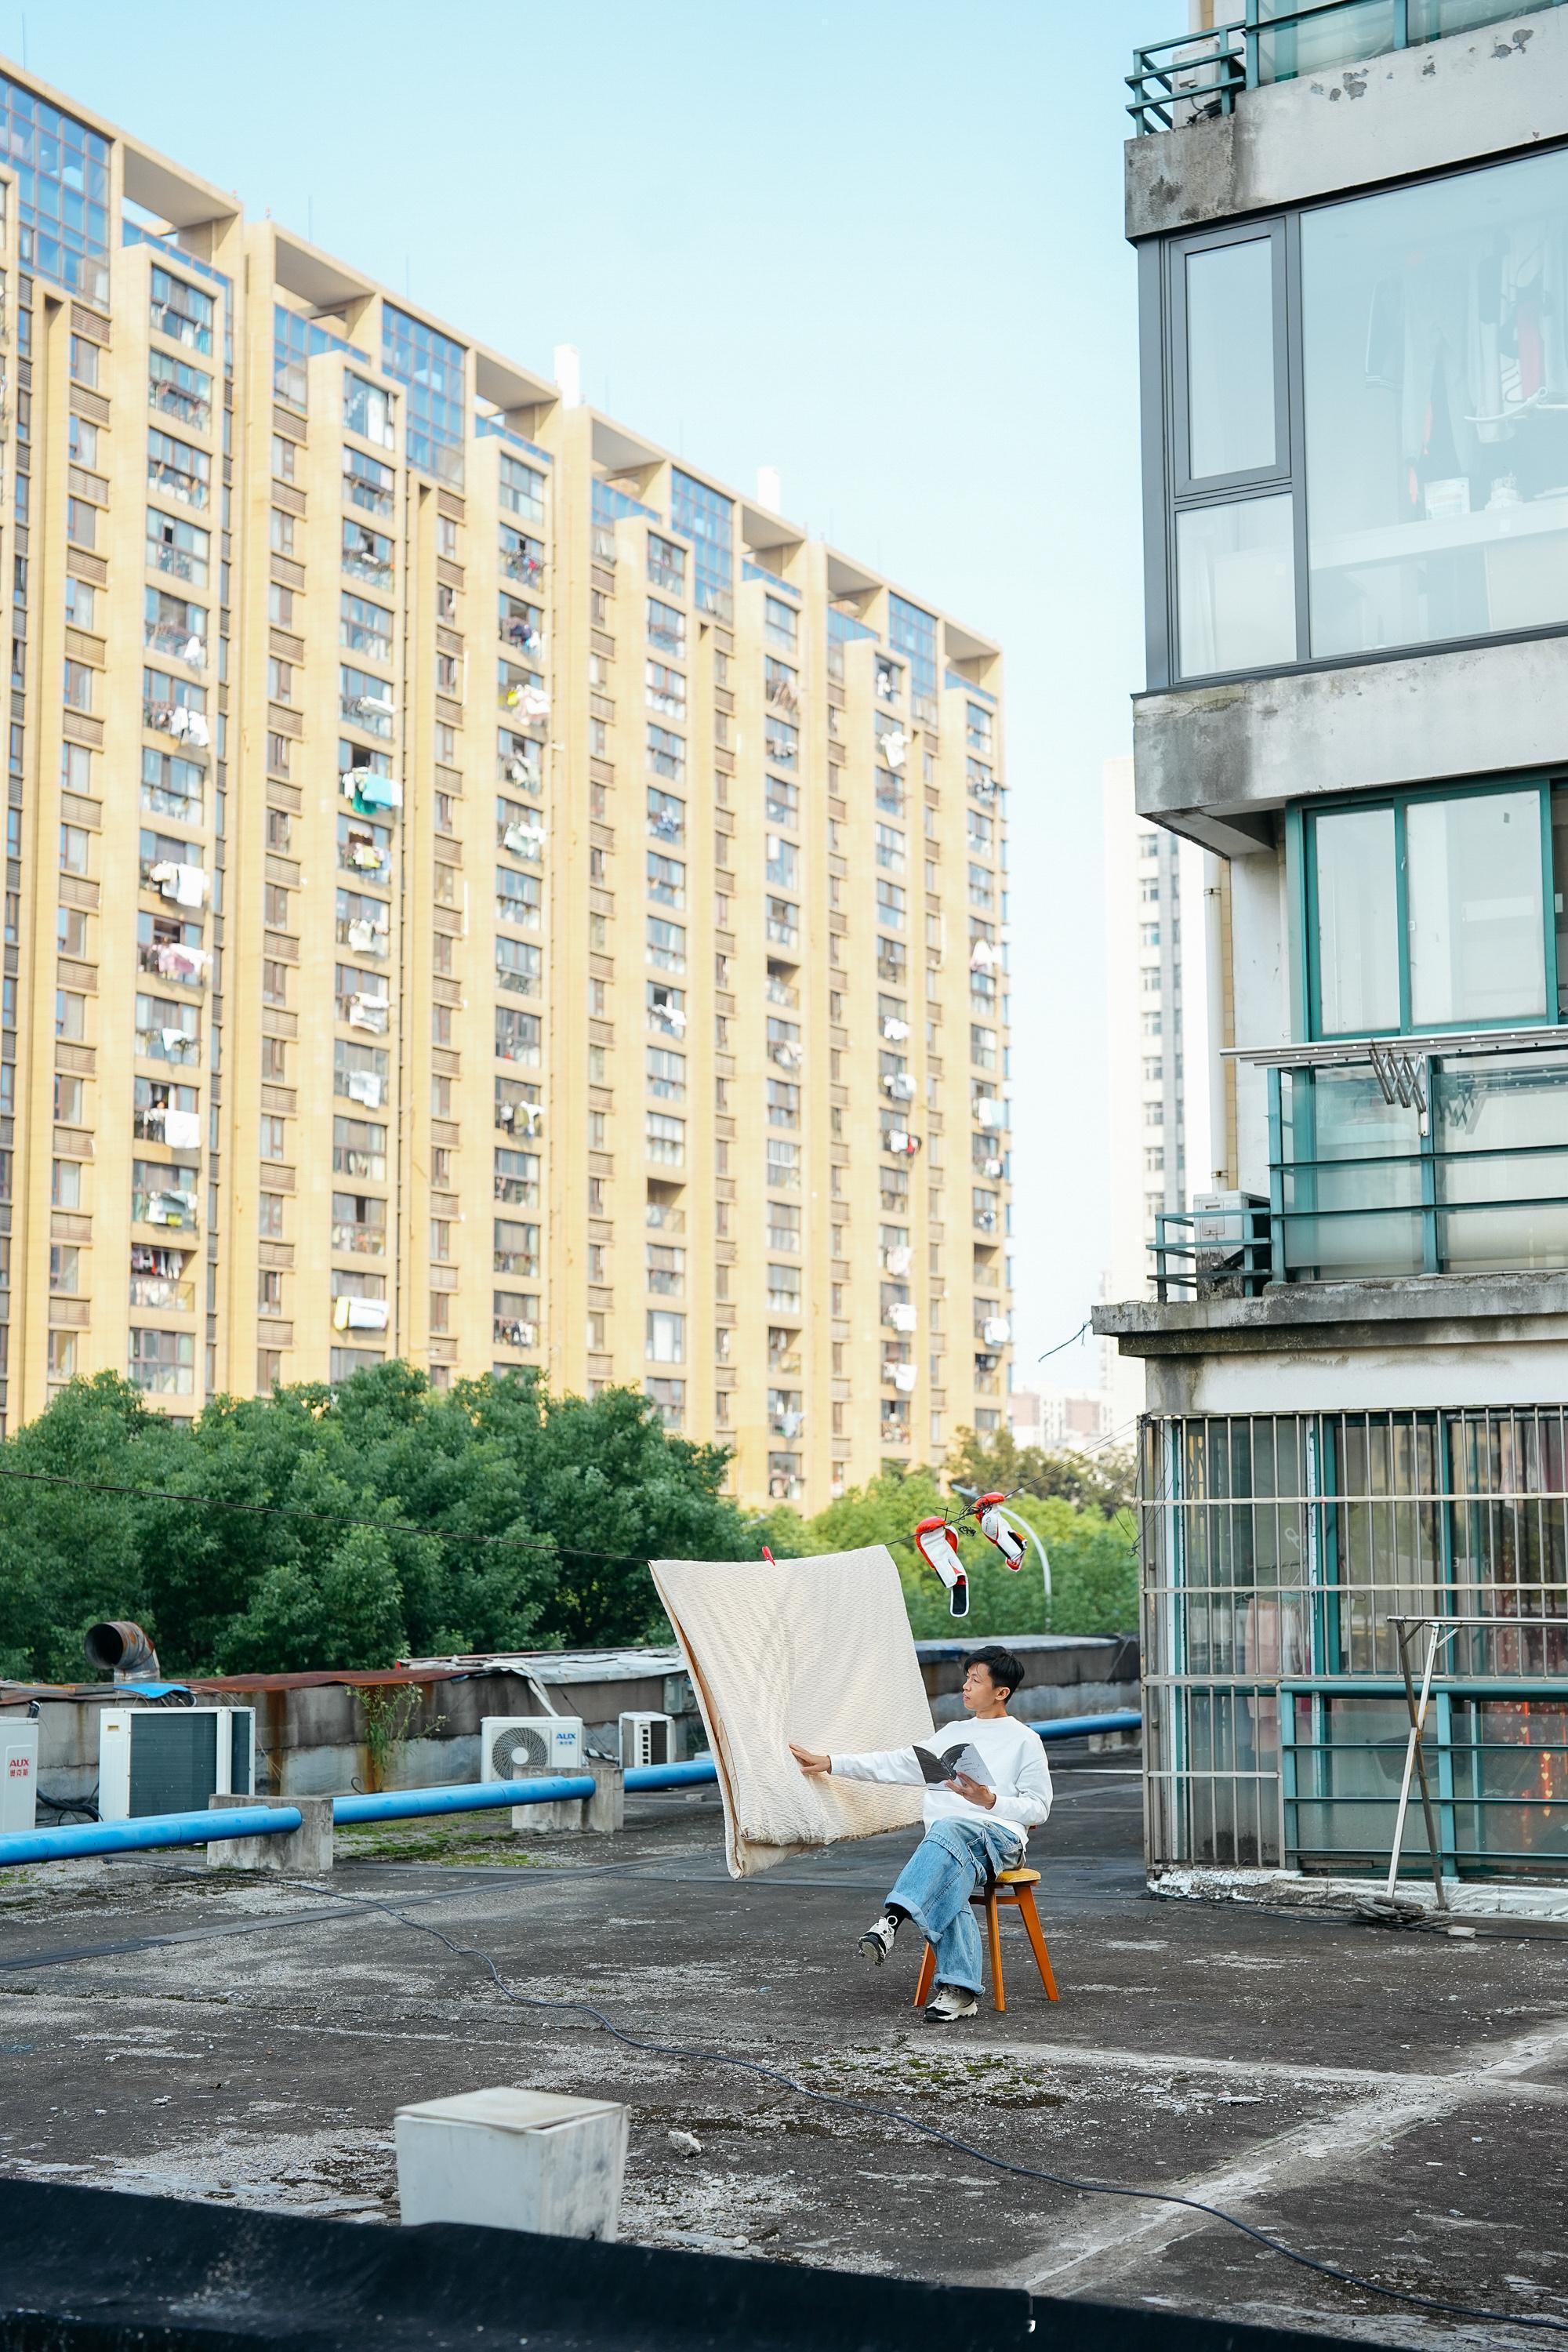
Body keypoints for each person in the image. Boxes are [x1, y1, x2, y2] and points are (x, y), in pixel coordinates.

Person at [789, 1643, 1052, 2024]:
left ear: (1001, 1692)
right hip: (950, 1850)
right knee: (950, 1872)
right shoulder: (953, 1733)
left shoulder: (1025, 1740)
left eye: (975, 1681)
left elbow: (1039, 1808)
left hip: (998, 1840)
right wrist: (831, 1763)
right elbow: (896, 1763)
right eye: (966, 1678)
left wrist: (989, 1800)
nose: (965, 1686)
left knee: (948, 1832)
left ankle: (893, 1918)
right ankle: (959, 1992)